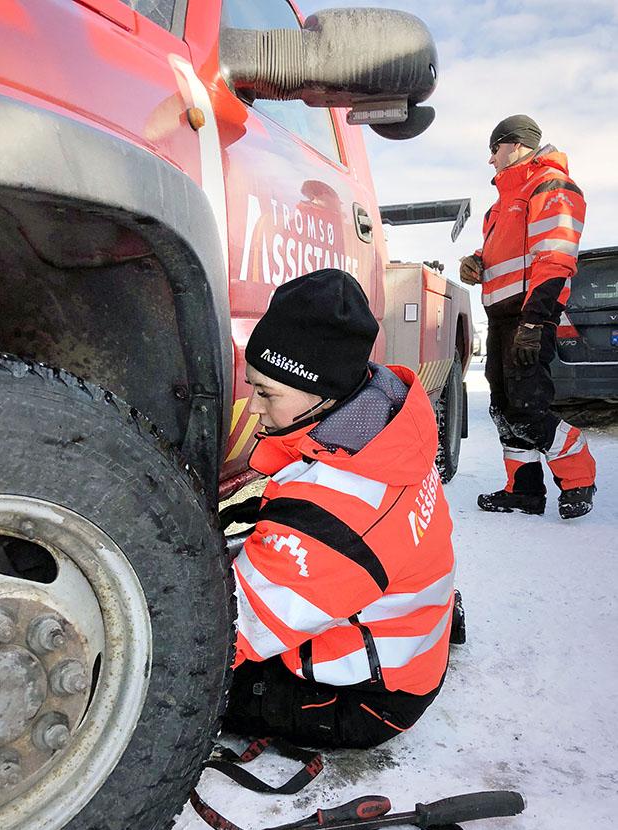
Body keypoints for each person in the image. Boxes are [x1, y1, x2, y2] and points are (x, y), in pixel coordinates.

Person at [221, 269, 455, 749]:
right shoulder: (381, 437)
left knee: (206, 689)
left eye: (267, 394)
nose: (254, 410)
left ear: (322, 393)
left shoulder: (340, 514)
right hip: (410, 650)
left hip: (367, 698)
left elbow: (224, 633)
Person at [460, 114, 596, 520]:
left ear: (516, 145)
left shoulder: (552, 186)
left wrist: (534, 322)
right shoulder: (499, 206)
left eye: (494, 149)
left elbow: (554, 258)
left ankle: (578, 478)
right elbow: (503, 259)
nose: (491, 160)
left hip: (530, 314)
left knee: (528, 407)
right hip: (502, 317)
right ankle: (523, 490)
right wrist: (476, 262)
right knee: (503, 407)